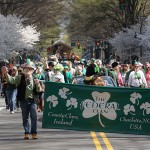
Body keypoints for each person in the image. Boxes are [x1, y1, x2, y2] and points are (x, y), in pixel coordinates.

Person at [1, 60, 42, 140]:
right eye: (27, 69)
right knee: (25, 117)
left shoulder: (35, 79)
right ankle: (26, 132)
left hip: (33, 101)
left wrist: (37, 85)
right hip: (23, 100)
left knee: (34, 117)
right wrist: (5, 73)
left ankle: (34, 133)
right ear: (24, 70)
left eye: (30, 69)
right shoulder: (20, 77)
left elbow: (38, 91)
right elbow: (11, 80)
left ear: (32, 70)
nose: (28, 70)